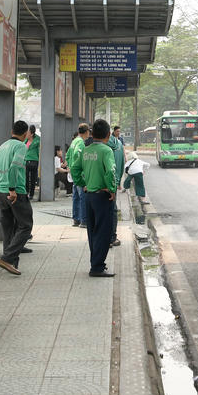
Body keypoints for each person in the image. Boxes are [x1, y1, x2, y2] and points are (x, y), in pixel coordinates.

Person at [0, 120, 34, 276]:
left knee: (9, 228)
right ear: (25, 134)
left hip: (1, 192)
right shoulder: (21, 146)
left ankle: (10, 262)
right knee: (25, 226)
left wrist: (0, 189)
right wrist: (12, 189)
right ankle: (7, 258)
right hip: (15, 191)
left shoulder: (2, 146)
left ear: (12, 131)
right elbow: (16, 166)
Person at [80, 119, 117, 277]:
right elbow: (110, 171)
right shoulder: (106, 150)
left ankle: (95, 263)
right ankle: (97, 267)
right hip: (102, 196)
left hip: (88, 195)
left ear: (92, 133)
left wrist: (83, 183)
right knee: (103, 232)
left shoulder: (86, 150)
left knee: (92, 231)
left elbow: (75, 168)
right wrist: (112, 188)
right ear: (108, 135)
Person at [67, 124, 90, 227]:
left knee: (76, 196)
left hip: (73, 172)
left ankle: (76, 219)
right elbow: (78, 154)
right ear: (86, 132)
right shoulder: (80, 143)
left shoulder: (74, 141)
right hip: (79, 173)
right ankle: (84, 220)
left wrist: (70, 166)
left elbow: (68, 155)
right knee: (83, 196)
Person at [107, 126, 125, 247]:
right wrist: (117, 182)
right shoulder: (119, 144)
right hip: (113, 184)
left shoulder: (100, 148)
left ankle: (104, 239)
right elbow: (122, 164)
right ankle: (112, 237)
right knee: (112, 210)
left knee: (101, 213)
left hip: (99, 186)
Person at [25, 124, 41, 199]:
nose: (26, 134)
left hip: (34, 160)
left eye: (27, 133)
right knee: (26, 178)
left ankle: (31, 194)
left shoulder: (38, 140)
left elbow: (39, 149)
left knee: (33, 178)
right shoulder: (25, 140)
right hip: (26, 161)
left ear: (31, 134)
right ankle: (26, 192)